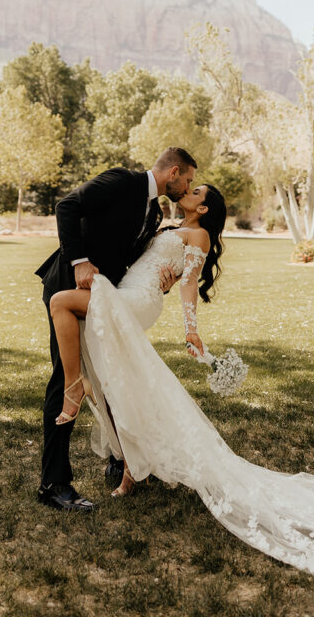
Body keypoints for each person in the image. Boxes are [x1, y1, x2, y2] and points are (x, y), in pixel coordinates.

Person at [51, 183, 314, 580]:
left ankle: (75, 387)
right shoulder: (168, 226)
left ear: (203, 207)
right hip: (131, 292)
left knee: (61, 302)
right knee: (123, 382)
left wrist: (192, 330)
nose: (188, 189)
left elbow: (189, 284)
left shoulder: (199, 234)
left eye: (196, 189)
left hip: (137, 301)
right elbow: (153, 265)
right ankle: (132, 466)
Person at [35, 146, 197, 512]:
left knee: (112, 378)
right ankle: (53, 483)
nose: (187, 187)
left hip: (104, 298)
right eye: (187, 180)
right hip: (67, 285)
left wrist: (162, 280)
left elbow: (132, 260)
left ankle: (121, 457)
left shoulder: (153, 212)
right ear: (173, 172)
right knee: (66, 380)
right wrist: (79, 261)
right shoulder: (121, 180)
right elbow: (66, 207)